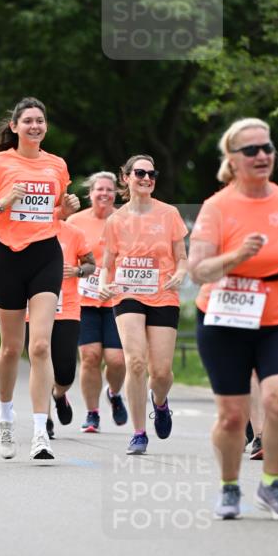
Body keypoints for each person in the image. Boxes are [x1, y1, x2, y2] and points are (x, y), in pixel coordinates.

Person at [188, 117, 278, 520]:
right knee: (233, 416)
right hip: (225, 316)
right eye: (251, 150)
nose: (262, 155)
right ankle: (230, 486)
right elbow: (198, 270)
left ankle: (272, 484)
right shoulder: (217, 206)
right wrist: (237, 257)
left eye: (267, 148)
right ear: (232, 160)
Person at [0, 97, 80, 461]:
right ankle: (5, 417)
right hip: (7, 257)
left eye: (40, 121)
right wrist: (3, 202)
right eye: (28, 121)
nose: (35, 126)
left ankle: (39, 432)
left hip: (46, 255)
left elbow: (53, 212)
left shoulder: (57, 165)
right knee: (11, 348)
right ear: (14, 127)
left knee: (41, 346)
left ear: (45, 127)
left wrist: (65, 209)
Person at [98, 155, 188, 455]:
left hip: (163, 293)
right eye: (140, 173)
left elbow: (182, 258)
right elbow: (107, 263)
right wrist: (101, 284)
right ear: (125, 178)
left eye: (151, 173)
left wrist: (179, 274)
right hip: (127, 293)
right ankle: (138, 433)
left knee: (160, 372)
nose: (146, 178)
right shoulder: (115, 220)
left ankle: (160, 403)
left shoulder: (170, 214)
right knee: (135, 362)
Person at [67, 172, 128, 433]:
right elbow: (68, 257)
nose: (104, 193)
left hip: (116, 298)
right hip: (85, 298)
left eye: (110, 190)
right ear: (90, 193)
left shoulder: (126, 220)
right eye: (99, 189)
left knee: (116, 360)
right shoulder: (75, 221)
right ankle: (92, 413)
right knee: (90, 357)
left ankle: (114, 393)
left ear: (116, 193)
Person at [25, 220, 95, 436]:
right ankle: (44, 419)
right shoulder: (26, 230)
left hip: (67, 310)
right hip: (33, 310)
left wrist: (77, 271)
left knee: (65, 372)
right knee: (39, 359)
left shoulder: (73, 233)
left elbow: (90, 264)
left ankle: (59, 394)